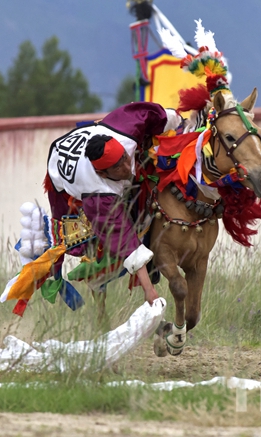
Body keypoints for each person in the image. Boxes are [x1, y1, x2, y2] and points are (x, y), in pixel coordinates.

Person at [46, 102, 181, 305]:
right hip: (60, 170)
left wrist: (178, 121)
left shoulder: (126, 129)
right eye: (118, 167)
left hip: (94, 134)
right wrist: (149, 291)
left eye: (125, 158)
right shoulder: (97, 194)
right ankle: (68, 278)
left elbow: (154, 114)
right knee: (72, 235)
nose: (127, 167)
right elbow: (125, 241)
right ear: (102, 173)